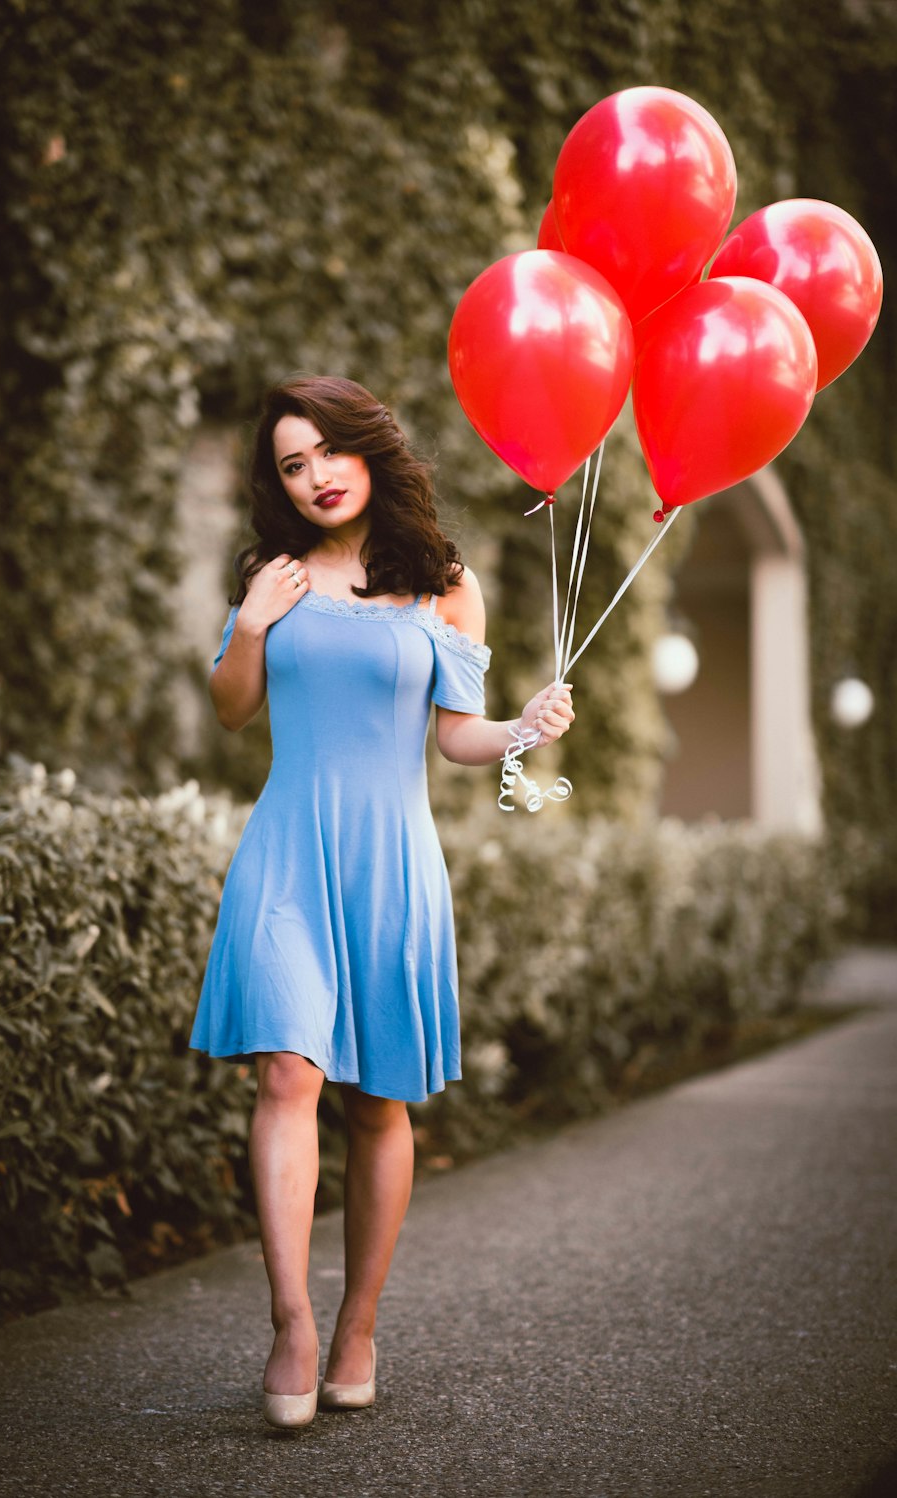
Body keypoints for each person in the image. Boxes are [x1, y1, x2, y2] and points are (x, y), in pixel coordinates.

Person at [190, 375, 574, 1427]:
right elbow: (229, 711)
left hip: (392, 855)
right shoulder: (273, 578)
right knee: (285, 1073)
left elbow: (458, 737)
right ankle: (290, 1321)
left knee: (378, 1101)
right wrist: (253, 627)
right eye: (291, 464)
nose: (314, 476)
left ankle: (357, 1321)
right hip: (286, 849)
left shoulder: (442, 584)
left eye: (327, 451)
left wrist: (524, 730)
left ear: (370, 450)